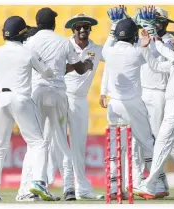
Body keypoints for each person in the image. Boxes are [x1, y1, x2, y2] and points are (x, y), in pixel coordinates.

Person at [17, 7, 94, 201]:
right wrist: (87, 64)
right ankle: (69, 188)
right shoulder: (63, 41)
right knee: (61, 141)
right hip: (59, 94)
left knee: (35, 143)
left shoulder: (29, 42)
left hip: (37, 93)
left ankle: (30, 189)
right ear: (53, 23)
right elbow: (79, 68)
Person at [0, 16, 55, 202]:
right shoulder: (28, 52)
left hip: (2, 99)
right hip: (21, 98)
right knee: (38, 143)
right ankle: (39, 182)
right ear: (22, 34)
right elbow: (48, 73)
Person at [46, 13, 105, 200]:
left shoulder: (97, 49)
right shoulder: (64, 45)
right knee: (61, 145)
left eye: (86, 27)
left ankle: (82, 189)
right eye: (78, 27)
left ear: (90, 29)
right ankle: (67, 186)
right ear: (73, 29)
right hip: (62, 97)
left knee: (79, 145)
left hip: (80, 100)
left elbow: (118, 57)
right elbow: (55, 69)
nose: (82, 30)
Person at [136, 26, 174, 199]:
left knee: (162, 144)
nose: (173, 41)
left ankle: (149, 185)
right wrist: (145, 47)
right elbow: (155, 65)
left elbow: (172, 55)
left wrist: (157, 41)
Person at [101, 13, 158, 199]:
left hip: (114, 105)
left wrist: (115, 23)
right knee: (148, 143)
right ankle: (153, 185)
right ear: (133, 36)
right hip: (133, 105)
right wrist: (148, 27)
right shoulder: (137, 52)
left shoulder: (107, 52)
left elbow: (109, 42)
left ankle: (115, 189)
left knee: (116, 149)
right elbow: (155, 52)